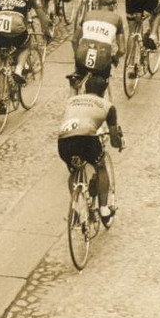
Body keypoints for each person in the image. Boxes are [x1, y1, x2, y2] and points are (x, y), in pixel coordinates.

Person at [57, 71, 124, 228]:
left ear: (86, 89)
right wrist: (120, 142)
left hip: (63, 140)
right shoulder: (108, 106)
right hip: (86, 138)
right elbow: (114, 140)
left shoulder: (72, 101)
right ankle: (104, 210)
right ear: (103, 91)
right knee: (100, 167)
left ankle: (76, 208)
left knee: (75, 171)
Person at [0, 0, 52, 84]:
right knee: (26, 45)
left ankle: (1, 80)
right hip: (15, 27)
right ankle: (18, 70)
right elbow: (41, 15)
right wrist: (47, 31)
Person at [71, 0, 127, 87]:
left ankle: (73, 92)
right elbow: (122, 50)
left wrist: (77, 56)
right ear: (113, 6)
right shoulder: (117, 19)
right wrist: (115, 58)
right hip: (102, 57)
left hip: (82, 55)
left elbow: (74, 40)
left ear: (98, 4)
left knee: (76, 80)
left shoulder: (87, 15)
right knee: (101, 84)